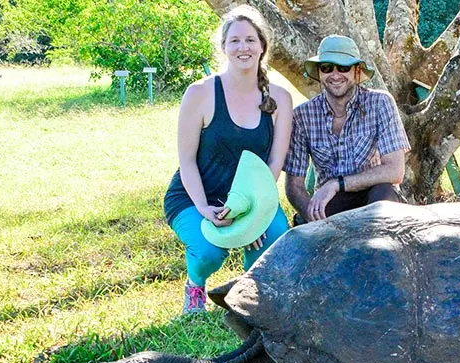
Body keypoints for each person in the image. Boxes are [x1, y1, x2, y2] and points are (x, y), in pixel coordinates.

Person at [163, 5, 293, 314]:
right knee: (209, 251)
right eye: (234, 40)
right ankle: (195, 286)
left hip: (251, 198)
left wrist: (253, 215)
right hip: (195, 197)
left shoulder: (280, 98)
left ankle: (248, 294)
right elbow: (187, 162)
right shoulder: (199, 93)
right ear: (223, 47)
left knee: (273, 240)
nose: (242, 47)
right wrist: (204, 209)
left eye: (250, 40)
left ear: (262, 46)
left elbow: (274, 163)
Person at [283, 35, 411, 224]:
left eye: (343, 68)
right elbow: (294, 186)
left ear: (357, 71)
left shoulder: (380, 103)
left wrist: (337, 184)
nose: (335, 75)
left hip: (374, 194)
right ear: (319, 72)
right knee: (308, 223)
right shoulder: (302, 115)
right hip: (331, 201)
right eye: (327, 67)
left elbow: (395, 171)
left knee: (384, 196)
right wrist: (312, 217)